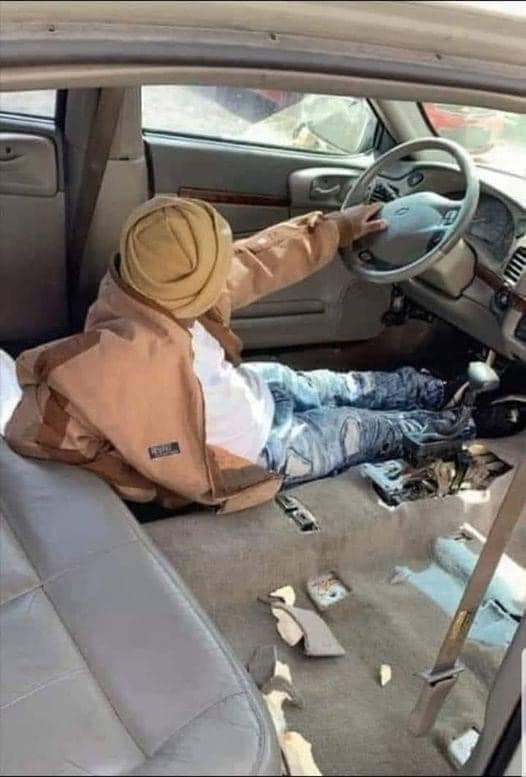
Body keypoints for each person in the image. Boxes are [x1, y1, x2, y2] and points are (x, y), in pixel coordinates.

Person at [3, 197, 513, 513]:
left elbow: (258, 259)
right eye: (217, 265)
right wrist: (148, 480)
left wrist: (337, 227)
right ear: (197, 282)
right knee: (361, 427)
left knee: (351, 385)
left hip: (256, 390)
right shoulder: (106, 365)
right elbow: (37, 430)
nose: (227, 269)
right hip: (259, 451)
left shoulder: (141, 284)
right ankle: (467, 421)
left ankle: (441, 389)